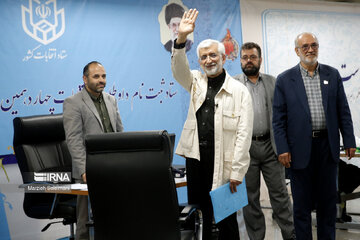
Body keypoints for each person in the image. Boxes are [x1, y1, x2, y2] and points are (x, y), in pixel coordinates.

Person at [171, 9, 253, 240]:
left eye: (213, 55)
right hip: (196, 158)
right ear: (199, 61)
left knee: (226, 218)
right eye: (204, 57)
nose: (209, 60)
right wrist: (181, 39)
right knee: (200, 215)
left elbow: (244, 134)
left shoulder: (239, 91)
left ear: (224, 58)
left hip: (226, 162)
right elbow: (178, 70)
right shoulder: (195, 81)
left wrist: (237, 171)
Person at [272, 32, 356, 240]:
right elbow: (278, 119)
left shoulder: (332, 74)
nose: (310, 50)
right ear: (297, 51)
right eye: (305, 46)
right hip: (299, 150)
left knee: (328, 204)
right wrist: (282, 148)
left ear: (318, 47)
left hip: (327, 148)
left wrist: (349, 140)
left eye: (314, 45)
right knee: (301, 206)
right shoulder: (285, 79)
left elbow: (343, 111)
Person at [233, 42, 295, 240]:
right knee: (250, 199)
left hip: (271, 147)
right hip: (245, 150)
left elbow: (284, 116)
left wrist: (286, 146)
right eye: (245, 57)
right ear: (240, 60)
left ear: (260, 59)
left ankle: (291, 235)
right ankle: (256, 237)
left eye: (253, 57)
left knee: (280, 196)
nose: (248, 61)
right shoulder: (232, 84)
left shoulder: (273, 82)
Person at [63, 61, 123, 240]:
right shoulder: (73, 102)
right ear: (85, 78)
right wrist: (83, 171)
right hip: (88, 170)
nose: (101, 80)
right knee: (86, 221)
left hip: (112, 167)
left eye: (103, 76)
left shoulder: (111, 99)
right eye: (96, 76)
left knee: (114, 215)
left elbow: (119, 132)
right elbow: (73, 139)